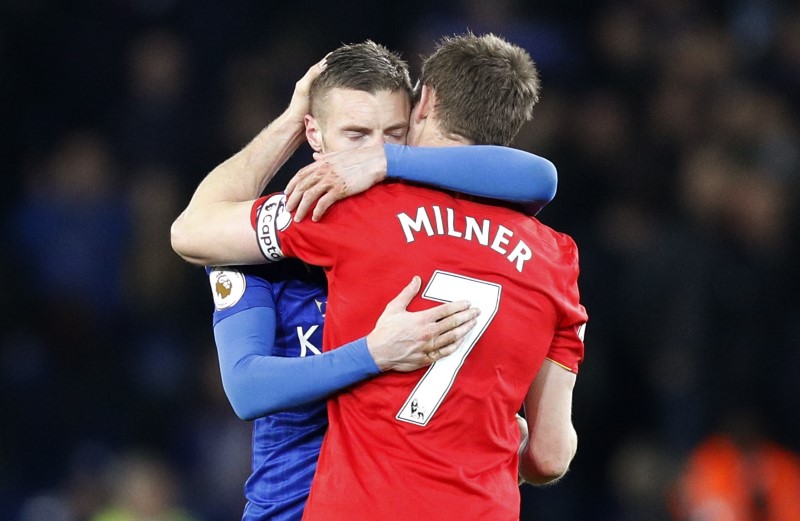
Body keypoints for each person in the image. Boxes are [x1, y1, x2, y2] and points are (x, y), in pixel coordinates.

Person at [171, 41, 561, 521]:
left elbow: (540, 177)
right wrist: (372, 354)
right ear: (313, 134)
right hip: (289, 508)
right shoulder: (263, 241)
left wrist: (390, 163)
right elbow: (247, 388)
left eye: (393, 134)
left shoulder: (410, 223)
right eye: (356, 135)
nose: (374, 152)